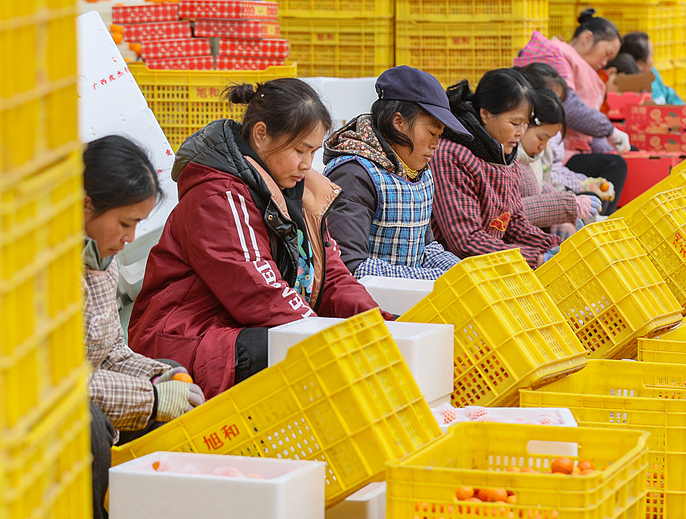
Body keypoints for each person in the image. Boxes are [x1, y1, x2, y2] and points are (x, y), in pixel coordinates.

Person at [128, 78, 383, 400]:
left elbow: (331, 275)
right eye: (299, 150)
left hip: (236, 327)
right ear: (261, 135)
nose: (307, 163)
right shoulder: (218, 197)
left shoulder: (298, 193)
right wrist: (326, 336)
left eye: (314, 152)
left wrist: (379, 324)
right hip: (187, 337)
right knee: (302, 353)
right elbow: (258, 291)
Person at [82, 135, 205, 519]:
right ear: (84, 207)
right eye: (125, 223)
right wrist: (151, 398)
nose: (130, 238)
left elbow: (111, 350)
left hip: (91, 384)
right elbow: (53, 382)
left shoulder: (99, 257)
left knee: (170, 372)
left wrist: (159, 377)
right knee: (88, 424)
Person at [321, 66, 469, 280]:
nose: (436, 145)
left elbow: (425, 248)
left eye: (439, 135)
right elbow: (349, 266)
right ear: (398, 122)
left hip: (406, 298)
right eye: (431, 133)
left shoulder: (419, 172)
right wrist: (432, 279)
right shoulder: (354, 174)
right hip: (366, 306)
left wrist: (463, 272)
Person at [430, 68, 560, 269]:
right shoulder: (451, 155)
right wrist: (535, 259)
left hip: (490, 263)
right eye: (515, 123)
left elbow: (513, 222)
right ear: (485, 114)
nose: (521, 133)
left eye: (526, 124)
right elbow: (466, 242)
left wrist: (552, 245)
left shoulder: (506, 154)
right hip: (452, 271)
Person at [515, 10, 628, 215]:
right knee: (614, 167)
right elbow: (573, 109)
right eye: (607, 53)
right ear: (587, 38)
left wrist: (586, 185)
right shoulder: (560, 56)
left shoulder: (542, 145)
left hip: (564, 161)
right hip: (566, 155)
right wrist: (610, 130)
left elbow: (550, 179)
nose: (606, 61)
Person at [515, 86, 603, 238]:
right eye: (541, 138)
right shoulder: (509, 160)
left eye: (549, 140)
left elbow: (541, 186)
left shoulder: (532, 157)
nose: (543, 146)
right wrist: (567, 205)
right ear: (523, 124)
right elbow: (512, 211)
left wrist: (569, 203)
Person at [620, 31, 686, 105]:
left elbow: (668, 94)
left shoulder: (652, 74)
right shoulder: (630, 91)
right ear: (640, 64)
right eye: (651, 56)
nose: (653, 61)